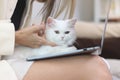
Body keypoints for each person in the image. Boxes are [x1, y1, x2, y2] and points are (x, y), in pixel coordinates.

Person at [0, 0, 112, 80]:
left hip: (10, 58)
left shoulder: (25, 3)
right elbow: (15, 36)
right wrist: (17, 37)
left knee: (98, 63)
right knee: (96, 69)